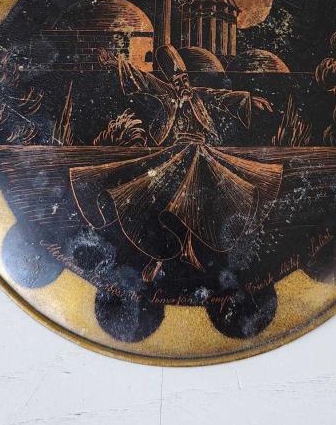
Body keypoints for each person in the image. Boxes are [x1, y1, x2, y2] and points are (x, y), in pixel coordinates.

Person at [70, 45, 282, 279]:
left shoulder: (199, 95)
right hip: (178, 154)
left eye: (184, 78)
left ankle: (195, 254)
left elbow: (224, 96)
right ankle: (161, 256)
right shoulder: (165, 92)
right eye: (178, 80)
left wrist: (250, 100)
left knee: (205, 201)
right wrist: (115, 64)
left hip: (202, 153)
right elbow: (141, 79)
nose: (183, 84)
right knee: (164, 204)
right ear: (171, 81)